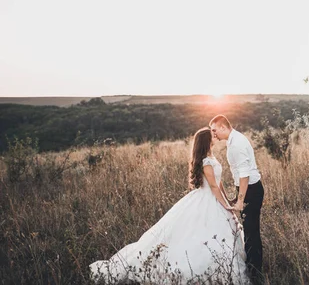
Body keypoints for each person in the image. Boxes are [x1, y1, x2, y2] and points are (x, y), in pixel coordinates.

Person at [89, 128, 249, 284]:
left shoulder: (211, 157)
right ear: (206, 141)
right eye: (212, 135)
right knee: (198, 233)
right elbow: (213, 186)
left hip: (215, 198)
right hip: (206, 199)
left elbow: (218, 183)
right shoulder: (206, 162)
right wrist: (226, 206)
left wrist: (227, 200)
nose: (215, 136)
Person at [209, 115, 264, 284]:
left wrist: (241, 200)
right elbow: (239, 175)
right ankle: (253, 267)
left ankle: (255, 273)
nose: (214, 134)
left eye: (215, 130)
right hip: (247, 189)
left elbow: (244, 174)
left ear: (223, 127)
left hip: (252, 190)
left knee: (251, 230)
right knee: (249, 229)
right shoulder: (232, 141)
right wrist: (238, 194)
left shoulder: (237, 144)